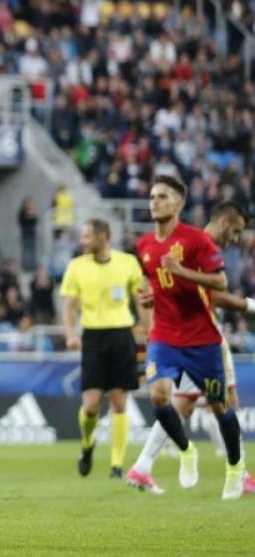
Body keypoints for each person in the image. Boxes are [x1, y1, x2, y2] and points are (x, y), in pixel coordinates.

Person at [126, 200, 255, 495]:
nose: (235, 239)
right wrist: (250, 305)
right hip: (195, 338)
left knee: (197, 401)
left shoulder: (194, 242)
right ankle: (237, 471)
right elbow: (215, 295)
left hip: (199, 334)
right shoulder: (198, 244)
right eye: (235, 232)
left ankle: (144, 466)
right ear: (224, 223)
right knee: (205, 401)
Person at [60, 218, 149, 479]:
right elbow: (68, 305)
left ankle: (116, 465)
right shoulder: (77, 266)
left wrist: (150, 329)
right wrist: (69, 334)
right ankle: (87, 445)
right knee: (90, 405)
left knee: (120, 401)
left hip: (122, 335)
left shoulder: (127, 262)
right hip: (93, 337)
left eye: (87, 237)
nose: (82, 241)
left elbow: (141, 299)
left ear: (102, 237)